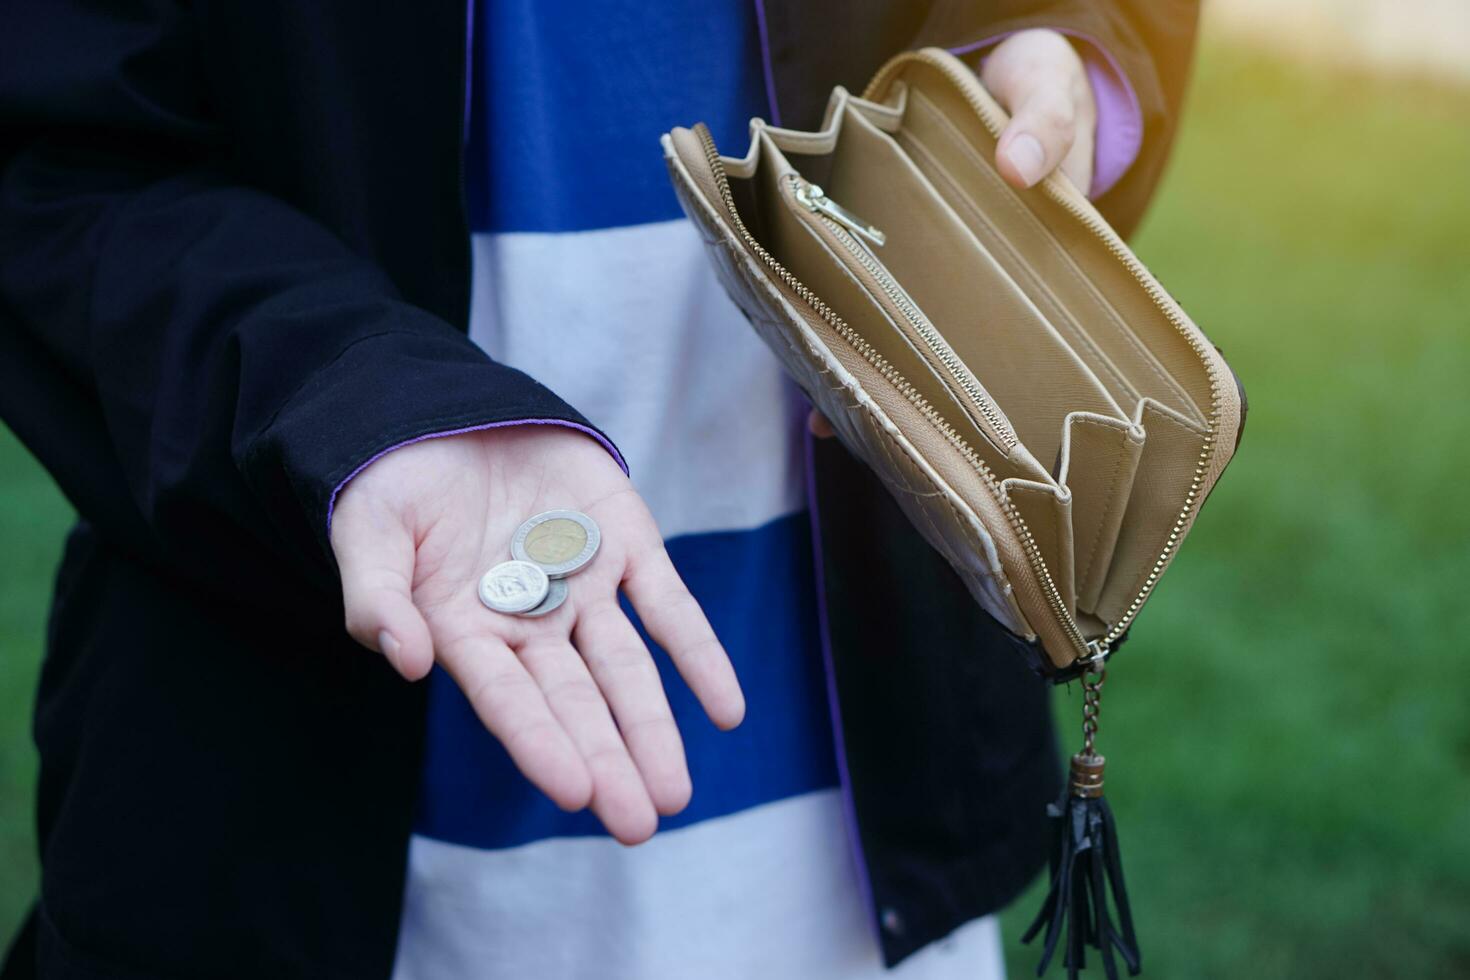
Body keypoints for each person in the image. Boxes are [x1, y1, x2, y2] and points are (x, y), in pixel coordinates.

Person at [0, 2, 1199, 977]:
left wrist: (1061, 47)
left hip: (865, 822)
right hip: (282, 818)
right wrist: (355, 399)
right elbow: (58, 148)